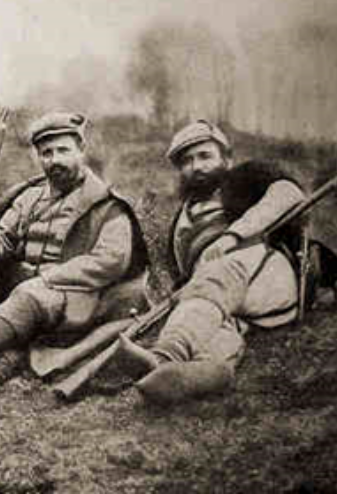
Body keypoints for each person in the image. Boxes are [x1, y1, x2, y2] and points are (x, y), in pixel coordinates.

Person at [0, 112, 150, 388]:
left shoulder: (107, 205)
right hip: (24, 303)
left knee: (29, 296)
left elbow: (111, 261)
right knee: (23, 305)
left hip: (82, 299)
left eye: (63, 150)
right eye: (47, 153)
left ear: (81, 150)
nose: (55, 160)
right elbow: (2, 248)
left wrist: (46, 279)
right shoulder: (28, 198)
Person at [115, 119, 306, 404]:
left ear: (226, 159)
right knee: (214, 326)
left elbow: (290, 193)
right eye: (187, 161)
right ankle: (203, 374)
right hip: (224, 302)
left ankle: (164, 355)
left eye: (205, 156)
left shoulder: (246, 178)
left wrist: (232, 236)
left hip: (268, 278)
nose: (197, 166)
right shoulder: (183, 218)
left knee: (219, 273)